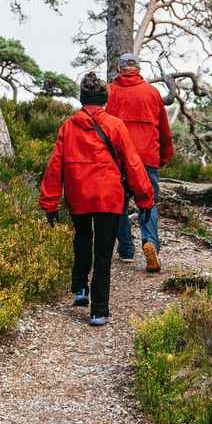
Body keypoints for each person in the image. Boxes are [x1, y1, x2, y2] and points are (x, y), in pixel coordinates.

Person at [39, 72, 155, 326]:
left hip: (79, 194)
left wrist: (50, 202)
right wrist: (145, 199)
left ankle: (80, 288)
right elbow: (133, 164)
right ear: (105, 99)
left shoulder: (68, 126)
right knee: (103, 254)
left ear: (82, 98)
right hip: (109, 197)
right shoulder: (115, 125)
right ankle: (99, 311)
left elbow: (55, 166)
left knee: (82, 240)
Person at [107, 53, 174, 273]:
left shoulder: (109, 93)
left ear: (119, 69)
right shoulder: (152, 93)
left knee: (119, 204)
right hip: (147, 159)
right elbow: (164, 131)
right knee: (148, 202)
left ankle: (126, 251)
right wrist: (163, 157)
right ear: (138, 70)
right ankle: (150, 244)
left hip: (117, 159)